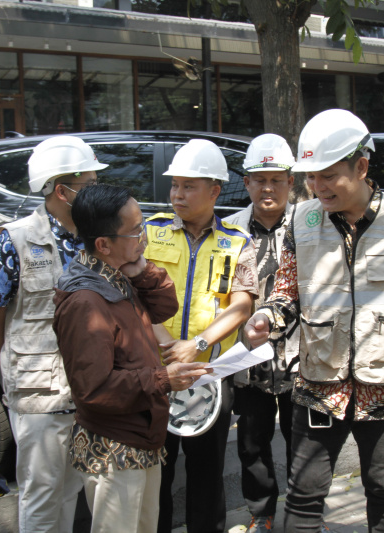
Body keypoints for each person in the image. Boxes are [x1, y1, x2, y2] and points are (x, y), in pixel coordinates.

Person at [245, 108, 384, 532]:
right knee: (304, 494)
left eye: (329, 176)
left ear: (361, 166)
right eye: (310, 177)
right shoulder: (302, 220)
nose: (317, 187)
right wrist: (267, 317)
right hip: (320, 383)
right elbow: (287, 292)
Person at [52, 184, 211, 533]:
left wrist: (142, 269)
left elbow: (165, 307)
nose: (144, 238)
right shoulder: (85, 301)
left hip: (141, 437)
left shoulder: (118, 274)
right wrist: (164, 379)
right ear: (103, 244)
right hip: (114, 448)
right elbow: (93, 390)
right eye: (136, 231)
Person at [0, 135, 106, 532]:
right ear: (62, 190)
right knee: (42, 497)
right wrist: (15, 365)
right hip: (39, 396)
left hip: (93, 390)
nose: (96, 190)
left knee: (72, 492)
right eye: (89, 183)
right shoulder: (15, 239)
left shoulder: (98, 238)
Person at [144, 139, 258, 533]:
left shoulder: (237, 242)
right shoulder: (148, 232)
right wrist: (163, 343)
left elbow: (242, 306)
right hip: (155, 374)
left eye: (188, 186)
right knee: (154, 471)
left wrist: (199, 345)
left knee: (207, 472)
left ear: (214, 191)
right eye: (175, 185)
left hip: (209, 373)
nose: (177, 194)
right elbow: (130, 290)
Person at [223, 133, 299, 533]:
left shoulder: (311, 224)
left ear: (290, 181)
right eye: (259, 179)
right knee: (252, 443)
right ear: (247, 183)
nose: (267, 187)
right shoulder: (231, 229)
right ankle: (261, 516)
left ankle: (306, 516)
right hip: (247, 358)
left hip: (301, 356)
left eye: (276, 179)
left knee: (303, 442)